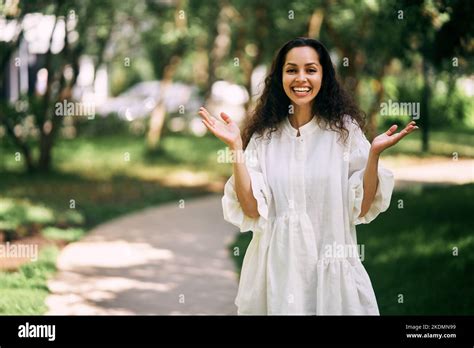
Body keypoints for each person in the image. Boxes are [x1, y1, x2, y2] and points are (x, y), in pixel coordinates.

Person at [198, 37, 418, 315]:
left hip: (332, 274)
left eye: (310, 69)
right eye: (291, 70)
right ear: (280, 77)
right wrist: (236, 149)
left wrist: (373, 155)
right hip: (275, 275)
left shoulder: (344, 132)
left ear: (323, 76)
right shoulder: (265, 137)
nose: (300, 78)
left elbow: (361, 208)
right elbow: (252, 209)